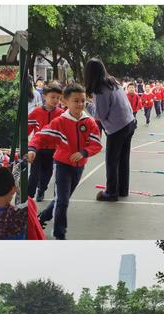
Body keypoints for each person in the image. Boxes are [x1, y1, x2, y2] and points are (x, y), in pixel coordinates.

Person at [28, 83, 102, 239]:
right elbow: (40, 136)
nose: (80, 104)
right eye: (76, 101)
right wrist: (32, 149)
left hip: (79, 166)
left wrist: (84, 152)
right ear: (66, 102)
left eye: (83, 101)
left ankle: (43, 216)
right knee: (62, 201)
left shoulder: (89, 122)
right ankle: (59, 234)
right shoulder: (59, 122)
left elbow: (96, 144)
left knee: (62, 199)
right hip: (62, 165)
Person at [84, 58, 135, 202]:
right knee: (123, 159)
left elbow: (100, 115)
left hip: (117, 128)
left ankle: (112, 192)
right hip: (129, 122)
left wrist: (87, 105)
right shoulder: (112, 81)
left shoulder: (100, 89)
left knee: (112, 161)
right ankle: (123, 190)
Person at [28, 82, 64, 201]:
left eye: (58, 98)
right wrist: (23, 143)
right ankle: (28, 197)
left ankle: (42, 189)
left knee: (47, 173)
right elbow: (27, 128)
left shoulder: (61, 114)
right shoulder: (36, 112)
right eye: (52, 97)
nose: (55, 100)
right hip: (37, 148)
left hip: (53, 149)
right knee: (34, 174)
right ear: (44, 96)